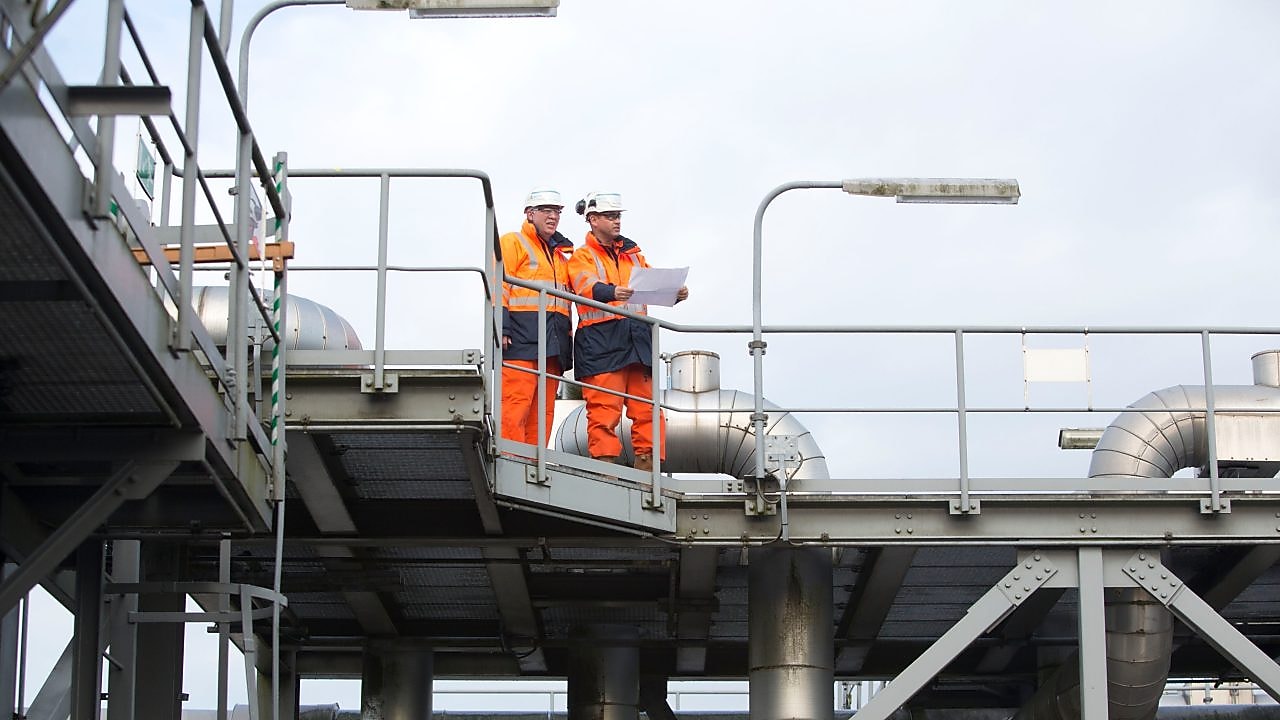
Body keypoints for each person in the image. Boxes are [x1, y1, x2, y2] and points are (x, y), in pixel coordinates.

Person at [567, 192, 688, 471]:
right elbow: (583, 283)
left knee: (647, 410)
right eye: (610, 216)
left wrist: (674, 293)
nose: (616, 221)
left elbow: (653, 283)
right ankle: (606, 471)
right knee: (603, 411)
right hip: (602, 343)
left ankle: (648, 472)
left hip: (636, 342)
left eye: (618, 216)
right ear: (593, 220)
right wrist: (611, 292)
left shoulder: (634, 256)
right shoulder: (581, 257)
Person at [499, 188, 574, 446]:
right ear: (530, 214)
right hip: (520, 340)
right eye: (547, 211)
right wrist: (501, 326)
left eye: (557, 212)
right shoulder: (513, 242)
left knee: (543, 413)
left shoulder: (562, 258)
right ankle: (511, 462)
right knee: (515, 404)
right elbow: (498, 285)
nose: (553, 216)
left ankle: (533, 465)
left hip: (552, 347)